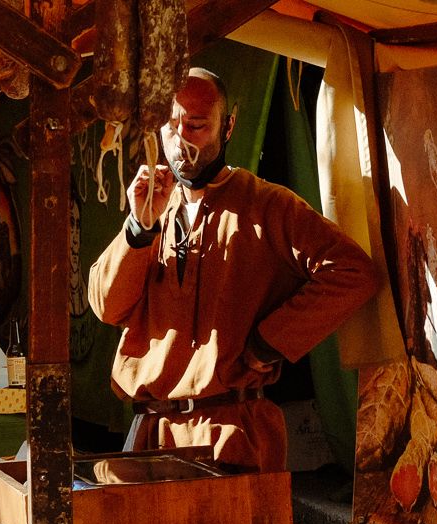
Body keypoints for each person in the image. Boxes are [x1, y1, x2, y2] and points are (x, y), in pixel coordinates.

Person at [87, 68, 382, 471]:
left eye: (197, 125)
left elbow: (352, 272)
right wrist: (138, 230)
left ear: (228, 127)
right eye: (171, 126)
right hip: (151, 435)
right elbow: (106, 307)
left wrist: (270, 341)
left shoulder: (267, 205)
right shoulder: (152, 207)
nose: (181, 140)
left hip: (232, 432)